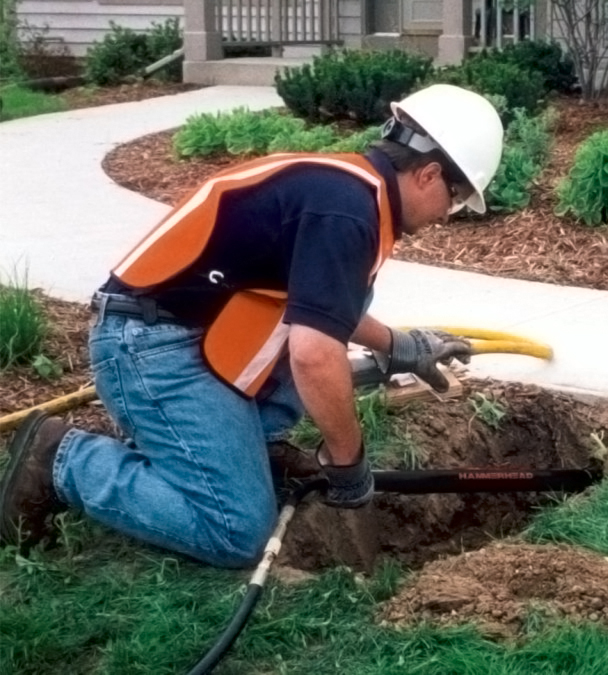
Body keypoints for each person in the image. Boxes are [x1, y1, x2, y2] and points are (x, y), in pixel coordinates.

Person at [0, 84, 505, 568]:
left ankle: (249, 450)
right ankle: (62, 459)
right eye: (457, 200)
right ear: (429, 174)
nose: (448, 216)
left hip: (188, 333)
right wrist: (348, 463)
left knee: (324, 320)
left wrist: (398, 345)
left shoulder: (348, 192)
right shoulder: (348, 213)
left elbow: (322, 303)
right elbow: (313, 353)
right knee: (236, 530)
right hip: (149, 347)